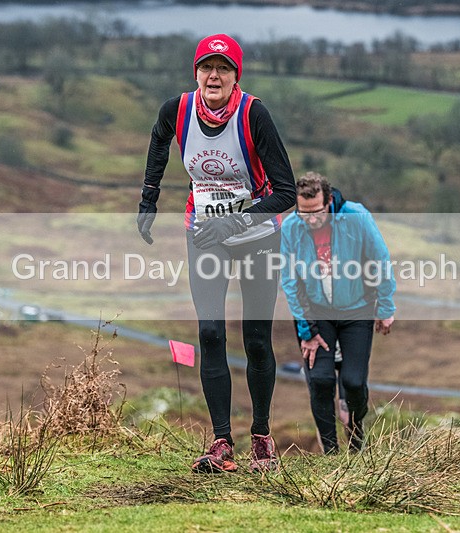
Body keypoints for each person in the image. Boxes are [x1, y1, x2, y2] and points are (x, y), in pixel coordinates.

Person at [137, 34, 296, 473]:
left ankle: (261, 437)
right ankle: (221, 441)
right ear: (195, 72)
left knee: (256, 339)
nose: (214, 75)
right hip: (204, 234)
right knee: (209, 334)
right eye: (207, 67)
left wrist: (236, 220)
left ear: (235, 76)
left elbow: (286, 192)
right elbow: (158, 139)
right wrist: (149, 198)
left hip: (258, 235)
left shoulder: (254, 114)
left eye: (223, 69)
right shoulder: (178, 109)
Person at [281, 172, 396, 454]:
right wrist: (306, 330)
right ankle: (331, 453)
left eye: (317, 212)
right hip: (316, 314)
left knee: (353, 382)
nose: (311, 219)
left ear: (329, 201)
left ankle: (356, 441)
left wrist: (385, 306)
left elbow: (380, 259)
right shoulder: (291, 227)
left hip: (356, 310)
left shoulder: (356, 217)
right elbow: (290, 280)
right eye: (303, 213)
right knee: (320, 380)